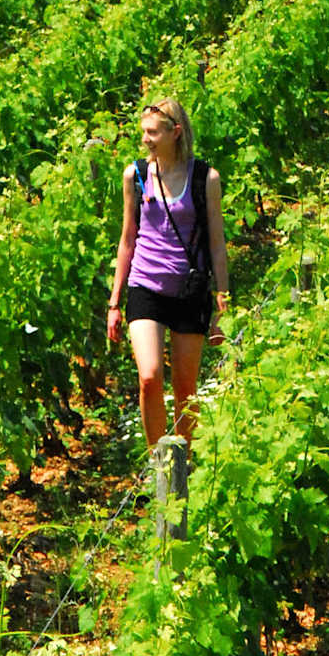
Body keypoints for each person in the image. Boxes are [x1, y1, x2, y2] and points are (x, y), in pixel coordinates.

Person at [106, 97, 230, 448]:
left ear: (175, 133)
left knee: (186, 388)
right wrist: (115, 302)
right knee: (149, 377)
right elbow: (127, 239)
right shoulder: (136, 175)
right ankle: (157, 462)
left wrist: (223, 302)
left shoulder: (205, 178)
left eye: (153, 133)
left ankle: (182, 462)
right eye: (143, 132)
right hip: (145, 286)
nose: (145, 139)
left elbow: (217, 243)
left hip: (189, 291)